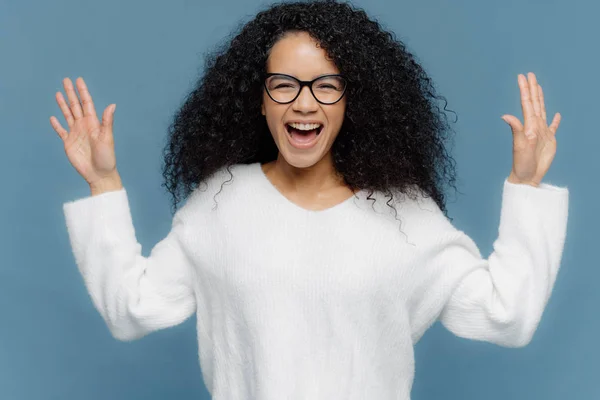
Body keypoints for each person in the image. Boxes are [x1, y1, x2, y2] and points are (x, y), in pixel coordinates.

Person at [50, 1, 568, 399]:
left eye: (326, 86)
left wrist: (524, 188)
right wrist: (103, 184)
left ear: (351, 99)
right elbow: (132, 310)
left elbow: (508, 316)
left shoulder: (405, 214)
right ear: (259, 99)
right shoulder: (220, 204)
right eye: (284, 84)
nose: (303, 101)